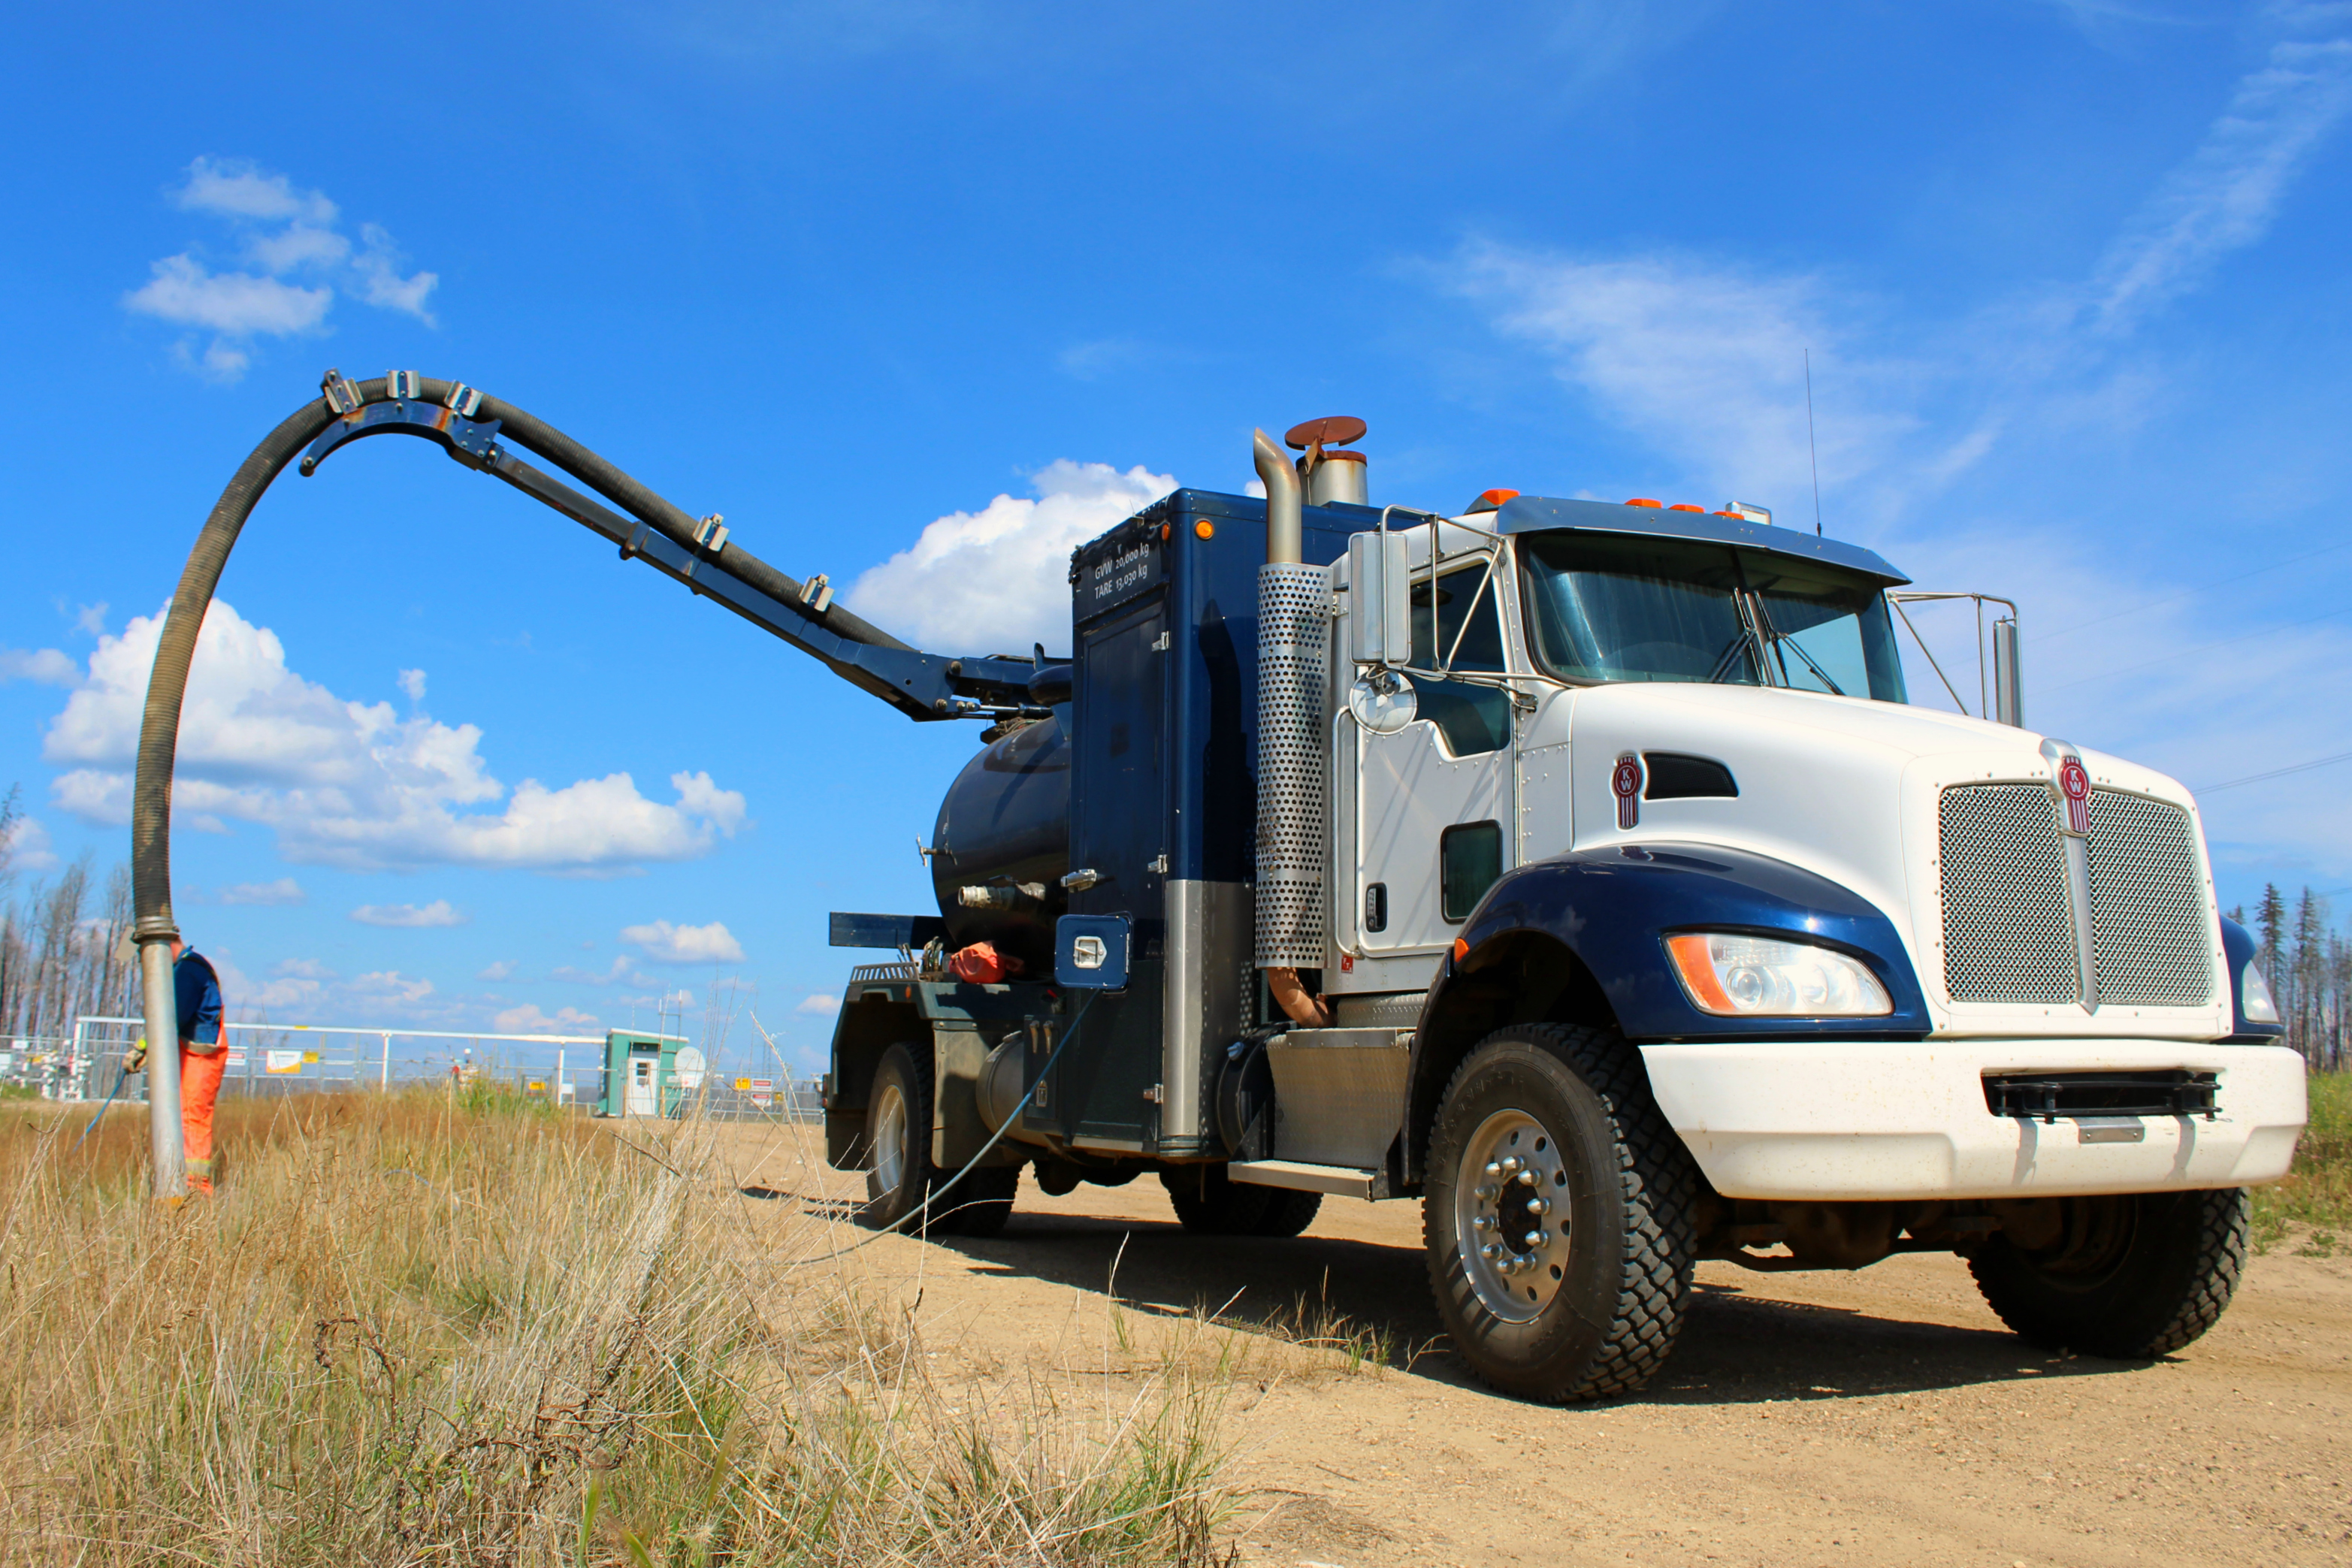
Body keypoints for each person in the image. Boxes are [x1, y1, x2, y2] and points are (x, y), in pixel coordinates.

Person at [126, 938, 227, 1196]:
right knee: (184, 1116)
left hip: (200, 1058)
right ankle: (184, 1181)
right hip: (194, 1054)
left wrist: (142, 1047)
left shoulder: (188, 970)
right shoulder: (188, 968)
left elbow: (169, 1017)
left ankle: (195, 1188)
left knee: (191, 1118)